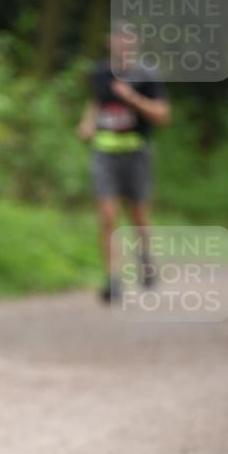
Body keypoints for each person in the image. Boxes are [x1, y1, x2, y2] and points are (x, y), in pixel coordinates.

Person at [77, 24, 170, 302]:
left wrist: (132, 98)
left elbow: (163, 115)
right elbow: (96, 104)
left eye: (128, 41)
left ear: (136, 44)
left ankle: (146, 261)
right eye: (118, 40)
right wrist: (87, 124)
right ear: (110, 43)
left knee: (139, 216)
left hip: (136, 153)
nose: (123, 45)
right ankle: (113, 279)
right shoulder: (100, 73)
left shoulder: (147, 76)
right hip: (104, 153)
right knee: (107, 216)